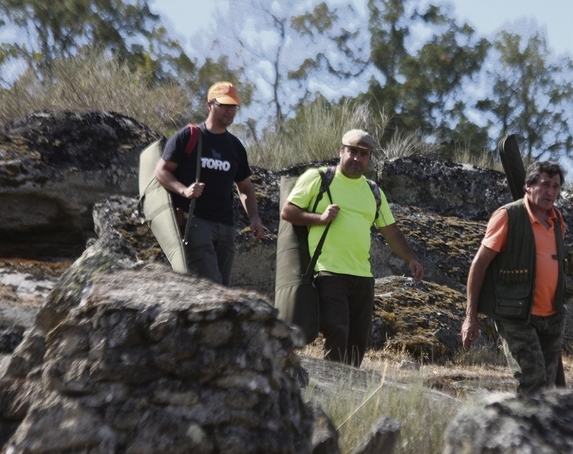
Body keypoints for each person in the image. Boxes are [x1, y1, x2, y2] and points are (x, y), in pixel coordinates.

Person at [281, 129, 424, 367]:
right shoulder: (318, 178)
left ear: (369, 158)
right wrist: (320, 218)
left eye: (364, 154)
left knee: (358, 340)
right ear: (341, 151)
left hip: (363, 277)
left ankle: (349, 390)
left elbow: (390, 230)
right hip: (328, 272)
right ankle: (333, 388)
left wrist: (411, 259)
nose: (357, 158)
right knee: (337, 331)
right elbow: (288, 211)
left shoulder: (373, 191)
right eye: (353, 152)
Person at [461, 161, 567, 395]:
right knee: (533, 383)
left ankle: (535, 429)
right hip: (516, 316)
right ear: (528, 186)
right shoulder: (508, 216)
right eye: (545, 184)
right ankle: (523, 429)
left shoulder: (557, 220)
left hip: (552, 318)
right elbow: (479, 264)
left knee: (547, 390)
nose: (550, 192)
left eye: (556, 186)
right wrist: (471, 316)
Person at [155, 81, 264, 286]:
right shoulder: (189, 136)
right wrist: (184, 190)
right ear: (209, 105)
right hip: (196, 222)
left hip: (226, 226)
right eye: (224, 105)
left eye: (233, 106)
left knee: (222, 289)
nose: (229, 111)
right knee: (211, 286)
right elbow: (161, 171)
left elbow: (245, 186)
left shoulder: (235, 146)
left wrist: (255, 219)